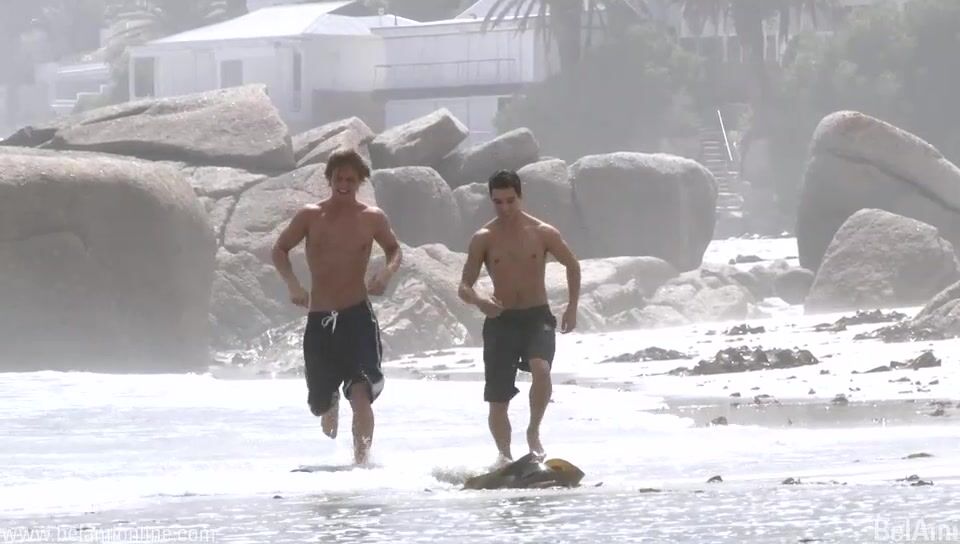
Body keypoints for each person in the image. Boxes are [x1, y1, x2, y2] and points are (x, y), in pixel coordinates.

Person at [271, 148, 402, 466]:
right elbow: (280, 249)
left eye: (350, 180)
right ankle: (328, 401)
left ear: (360, 182)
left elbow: (394, 249)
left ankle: (361, 464)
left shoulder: (372, 218)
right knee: (320, 407)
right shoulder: (310, 215)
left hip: (357, 317)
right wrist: (293, 285)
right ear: (329, 179)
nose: (344, 185)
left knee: (361, 393)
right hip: (320, 319)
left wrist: (385, 273)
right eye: (339, 179)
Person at [458, 169, 581, 463]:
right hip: (501, 321)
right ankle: (506, 459)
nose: (505, 208)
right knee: (498, 400)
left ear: (520, 196)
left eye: (510, 201)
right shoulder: (484, 238)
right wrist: (480, 301)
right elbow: (464, 286)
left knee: (541, 369)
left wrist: (572, 307)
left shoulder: (543, 232)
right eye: (498, 202)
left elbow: (572, 265)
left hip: (537, 317)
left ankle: (533, 431)